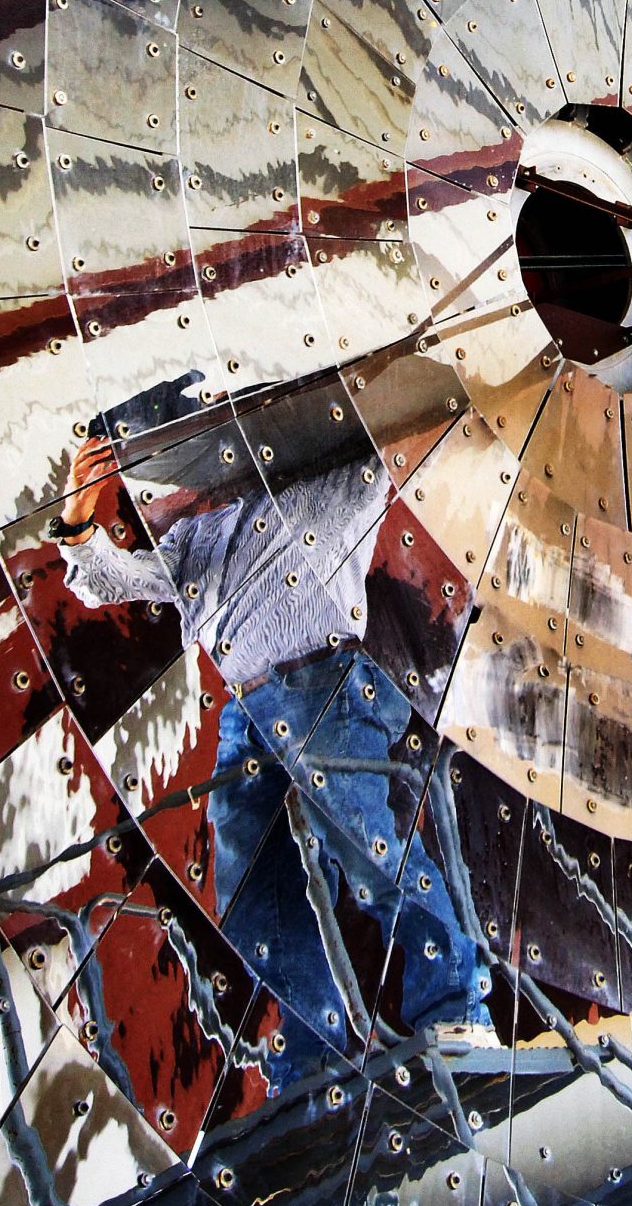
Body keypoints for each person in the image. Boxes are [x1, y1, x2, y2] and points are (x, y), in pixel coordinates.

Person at [54, 428, 487, 1058]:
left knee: (371, 858)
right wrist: (78, 524)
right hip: (242, 714)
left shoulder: (325, 490)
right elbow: (111, 582)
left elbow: (398, 446)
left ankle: (458, 1013)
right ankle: (309, 1062)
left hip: (322, 689)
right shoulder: (193, 539)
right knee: (257, 901)